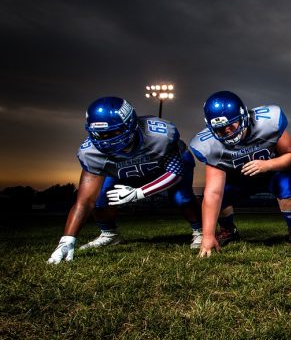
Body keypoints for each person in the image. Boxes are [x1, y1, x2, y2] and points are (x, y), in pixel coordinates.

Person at [47, 97, 202, 264]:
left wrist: (138, 193)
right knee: (100, 198)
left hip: (164, 167)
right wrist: (67, 240)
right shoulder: (90, 153)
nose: (107, 139)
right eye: (101, 134)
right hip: (123, 172)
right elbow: (85, 202)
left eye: (113, 132)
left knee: (182, 197)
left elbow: (175, 173)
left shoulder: (159, 135)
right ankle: (109, 234)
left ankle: (199, 231)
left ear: (131, 124)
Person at [190, 90, 291, 257]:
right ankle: (228, 230)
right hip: (238, 180)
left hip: (271, 174)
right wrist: (208, 236)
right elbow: (213, 192)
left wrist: (268, 164)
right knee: (217, 194)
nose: (228, 132)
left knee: (285, 181)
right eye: (221, 130)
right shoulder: (208, 145)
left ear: (244, 117)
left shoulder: (269, 122)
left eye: (232, 125)